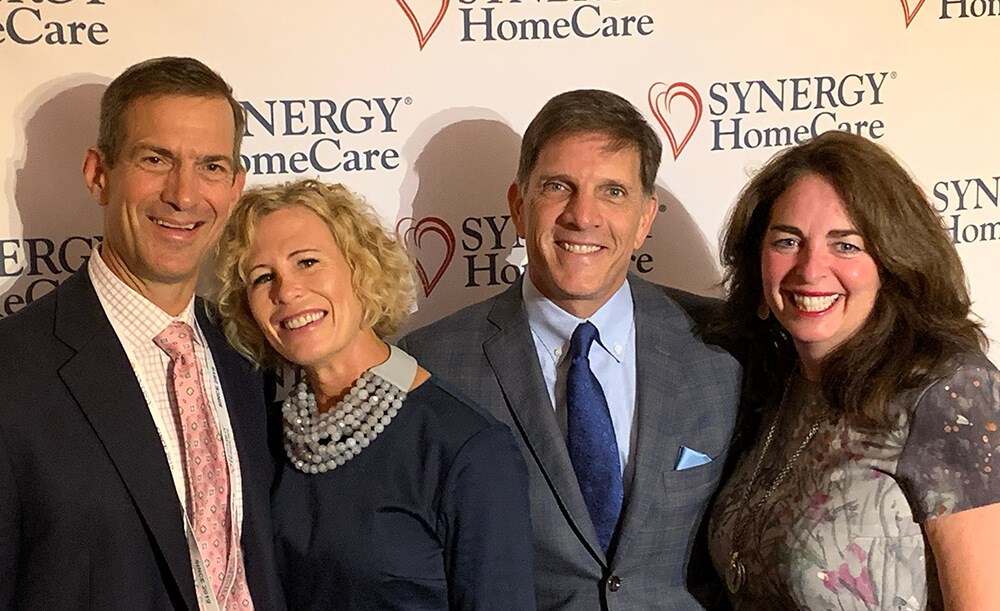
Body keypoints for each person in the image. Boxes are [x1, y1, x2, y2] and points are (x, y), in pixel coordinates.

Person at [398, 89, 742, 609]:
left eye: (613, 192)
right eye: (559, 187)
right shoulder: (431, 364)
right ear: (519, 206)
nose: (583, 216)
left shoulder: (722, 346)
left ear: (645, 219)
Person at [0, 57, 283, 608]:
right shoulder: (11, 371)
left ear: (235, 188)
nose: (184, 195)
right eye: (156, 159)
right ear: (98, 174)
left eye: (211, 166)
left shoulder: (250, 351)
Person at [707, 130, 1000, 609]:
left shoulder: (949, 392)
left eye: (845, 246)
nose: (810, 270)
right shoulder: (778, 381)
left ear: (893, 261)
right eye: (787, 241)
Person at [214, 179, 536, 610]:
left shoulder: (466, 448)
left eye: (307, 262)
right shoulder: (260, 439)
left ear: (361, 268)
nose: (286, 291)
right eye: (263, 277)